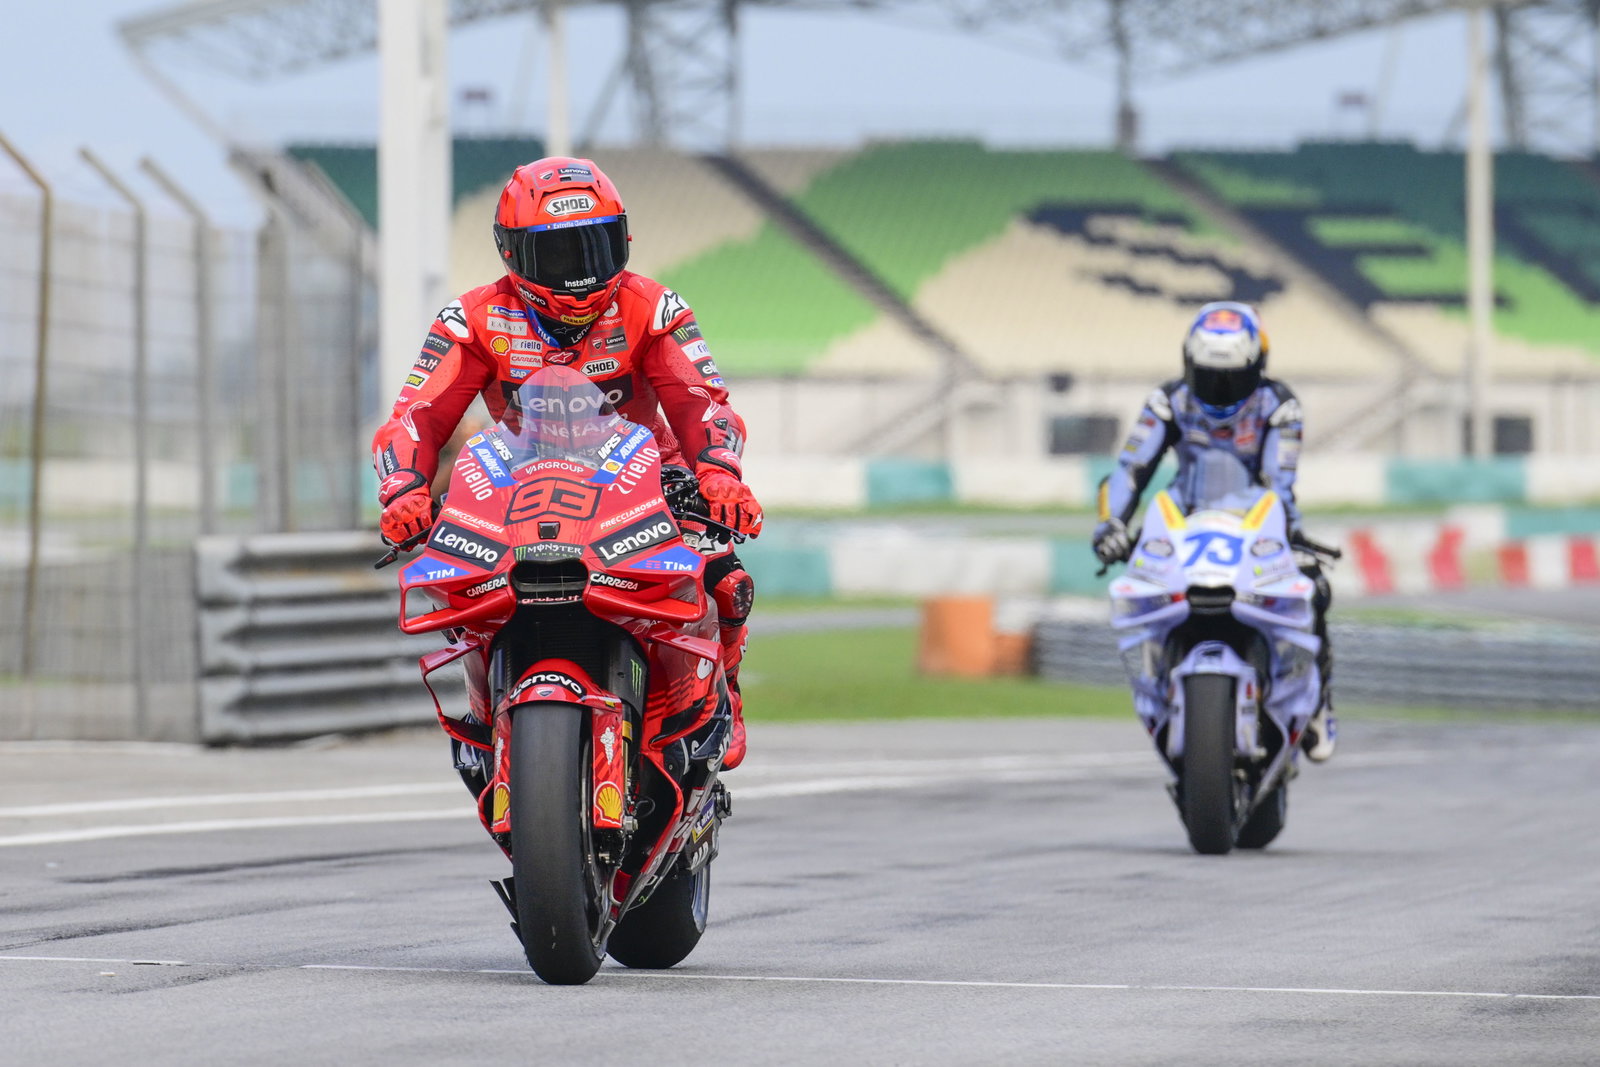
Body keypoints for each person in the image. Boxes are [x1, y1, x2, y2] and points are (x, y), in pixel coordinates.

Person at [372, 156, 762, 768]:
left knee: (723, 575)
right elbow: (415, 415)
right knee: (455, 593)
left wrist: (717, 476)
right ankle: (488, 715)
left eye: (596, 248)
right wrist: (404, 491)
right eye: (557, 256)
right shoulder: (470, 318)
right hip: (513, 484)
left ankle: (723, 694)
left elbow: (703, 404)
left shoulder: (657, 310)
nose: (580, 274)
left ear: (624, 240)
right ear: (512, 253)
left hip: (645, 479)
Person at [1092, 301, 1335, 761]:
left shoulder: (1278, 405)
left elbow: (1277, 483)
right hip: (1180, 522)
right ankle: (1159, 683)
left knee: (1316, 590)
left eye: (1233, 377)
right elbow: (1130, 469)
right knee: (1139, 588)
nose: (1220, 390)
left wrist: (1289, 540)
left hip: (1256, 522)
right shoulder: (1168, 401)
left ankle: (1317, 704)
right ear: (1188, 364)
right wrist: (1112, 526)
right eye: (1208, 375)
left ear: (1256, 367)